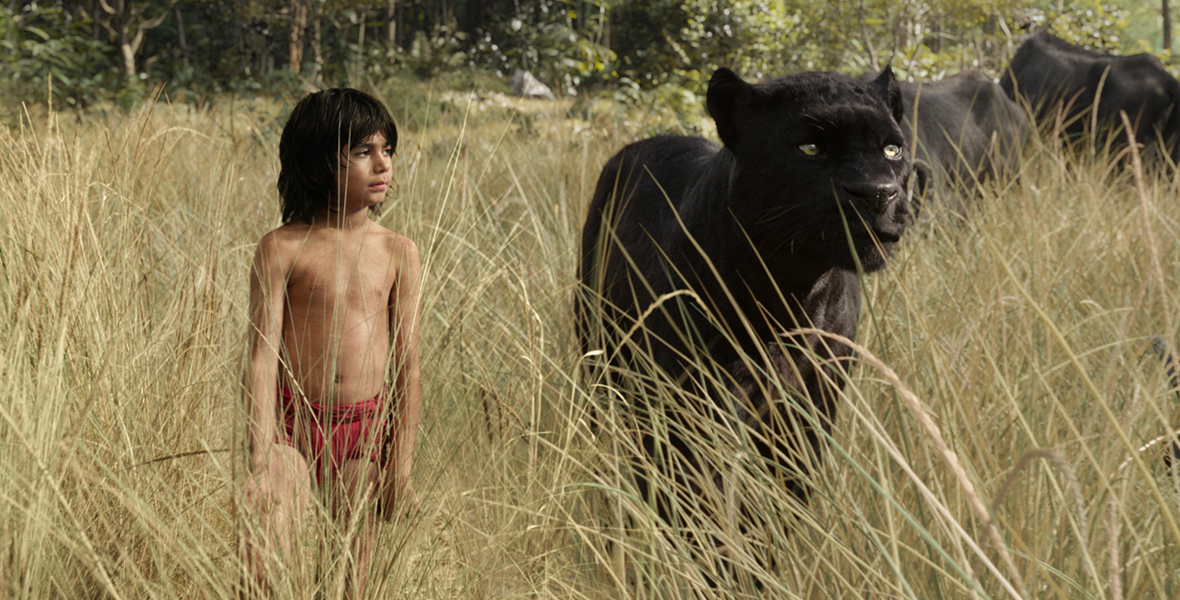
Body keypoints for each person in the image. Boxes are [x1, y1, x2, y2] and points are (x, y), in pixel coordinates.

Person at [240, 88, 422, 598]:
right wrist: (258, 453)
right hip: (290, 429)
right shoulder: (282, 249)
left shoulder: (397, 252)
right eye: (363, 152)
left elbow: (408, 365)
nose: (382, 164)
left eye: (387, 150)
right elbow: (260, 358)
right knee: (262, 566)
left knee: (351, 575)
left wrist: (400, 469)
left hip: (363, 436)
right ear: (319, 163)